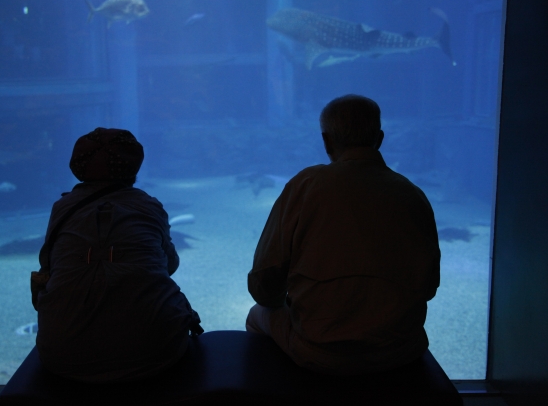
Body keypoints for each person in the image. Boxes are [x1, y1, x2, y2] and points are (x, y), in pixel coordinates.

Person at [246, 95, 440, 375]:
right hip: (401, 351)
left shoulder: (306, 185)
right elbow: (429, 286)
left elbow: (263, 285)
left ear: (326, 141)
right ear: (380, 138)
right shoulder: (413, 194)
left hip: (320, 352)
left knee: (257, 315)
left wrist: (289, 305)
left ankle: (273, 391)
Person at [34, 127, 202, 383]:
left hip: (62, 357)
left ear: (77, 166)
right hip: (157, 353)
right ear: (134, 165)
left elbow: (49, 267)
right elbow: (170, 265)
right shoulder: (149, 206)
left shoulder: (62, 209)